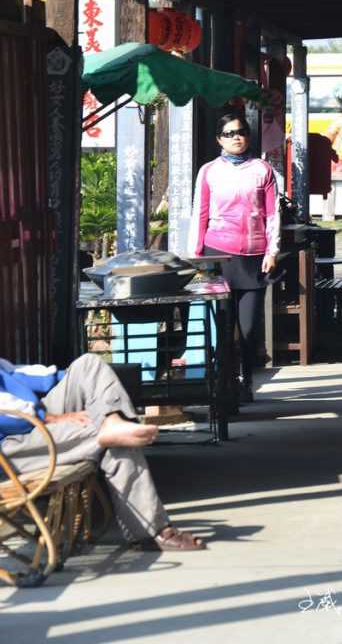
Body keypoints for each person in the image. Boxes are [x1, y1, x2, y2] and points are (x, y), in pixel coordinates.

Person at [0, 353, 205, 550]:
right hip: (10, 448)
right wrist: (48, 418)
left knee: (88, 365)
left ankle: (112, 420)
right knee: (107, 434)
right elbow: (10, 419)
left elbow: (24, 376)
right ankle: (151, 532)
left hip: (31, 421)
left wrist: (84, 383)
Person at [187, 111, 281, 403]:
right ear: (219, 139)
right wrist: (196, 255)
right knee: (223, 328)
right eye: (229, 133)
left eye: (240, 132)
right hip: (218, 254)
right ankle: (224, 383)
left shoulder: (262, 170)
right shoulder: (209, 171)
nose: (236, 137)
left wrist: (272, 250)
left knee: (250, 327)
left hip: (254, 255)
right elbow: (199, 213)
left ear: (249, 135)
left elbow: (272, 213)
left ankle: (245, 376)